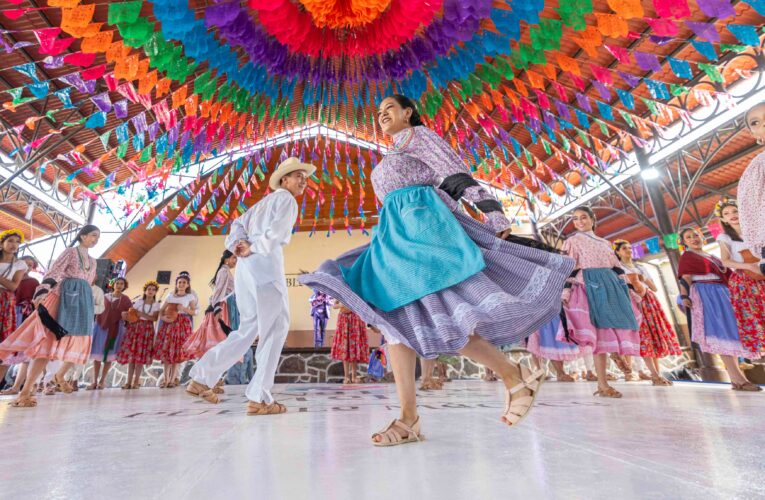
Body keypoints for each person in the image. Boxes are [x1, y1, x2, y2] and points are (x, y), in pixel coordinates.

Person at [299, 95, 574, 446]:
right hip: (395, 238)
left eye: (390, 109)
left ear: (408, 112)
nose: (382, 116)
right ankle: (410, 417)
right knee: (394, 323)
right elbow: (440, 191)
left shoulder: (419, 137)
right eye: (378, 112)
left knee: (435, 315)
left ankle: (512, 374)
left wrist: (492, 211)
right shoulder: (395, 152)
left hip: (423, 236)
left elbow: (454, 174)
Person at [186, 157, 315, 415]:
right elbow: (276, 234)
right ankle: (260, 398)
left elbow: (236, 226)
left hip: (246, 267)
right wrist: (253, 247)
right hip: (265, 267)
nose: (303, 180)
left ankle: (201, 376)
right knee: (276, 328)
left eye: (305, 176)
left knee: (247, 329)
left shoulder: (261, 204)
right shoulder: (286, 200)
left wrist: (239, 246)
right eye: (298, 175)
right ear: (284, 180)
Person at [0, 225, 99, 407]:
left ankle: (38, 385)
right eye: (93, 235)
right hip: (62, 297)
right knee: (47, 340)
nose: (96, 239)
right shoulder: (70, 252)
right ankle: (25, 391)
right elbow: (54, 272)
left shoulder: (93, 261)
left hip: (80, 302)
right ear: (83, 236)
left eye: (98, 236)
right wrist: (41, 292)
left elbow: (88, 282)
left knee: (64, 343)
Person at [560, 207, 641, 399]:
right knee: (599, 333)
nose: (580, 222)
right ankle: (602, 384)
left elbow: (616, 266)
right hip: (589, 285)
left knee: (613, 329)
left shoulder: (606, 243)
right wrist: (566, 289)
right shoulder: (572, 241)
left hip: (611, 285)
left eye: (584, 217)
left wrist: (628, 287)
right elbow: (568, 267)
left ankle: (610, 372)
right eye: (575, 219)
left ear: (592, 219)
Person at [677, 228, 761, 391]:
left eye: (696, 235)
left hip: (723, 293)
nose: (693, 238)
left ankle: (735, 380)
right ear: (684, 242)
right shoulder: (687, 257)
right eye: (688, 237)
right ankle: (740, 379)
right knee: (721, 334)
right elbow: (685, 277)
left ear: (702, 237)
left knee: (730, 335)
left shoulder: (712, 257)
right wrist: (684, 296)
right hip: (706, 295)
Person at [614, 239, 681, 385]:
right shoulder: (618, 268)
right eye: (624, 248)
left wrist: (641, 279)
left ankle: (656, 374)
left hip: (648, 300)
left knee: (651, 335)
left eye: (629, 248)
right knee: (640, 334)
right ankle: (644, 373)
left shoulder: (640, 267)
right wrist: (631, 282)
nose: (628, 250)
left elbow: (654, 287)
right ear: (618, 252)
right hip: (631, 300)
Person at [715, 198, 765, 357]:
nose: (732, 215)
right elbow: (725, 261)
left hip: (763, 274)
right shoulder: (725, 238)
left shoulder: (756, 230)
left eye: (735, 211)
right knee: (755, 318)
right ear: (723, 219)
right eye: (726, 213)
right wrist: (748, 266)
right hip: (745, 281)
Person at [184, 251, 238, 379]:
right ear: (226, 260)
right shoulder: (224, 271)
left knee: (219, 345)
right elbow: (219, 290)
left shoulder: (225, 271)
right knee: (216, 344)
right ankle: (202, 379)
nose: (236, 260)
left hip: (223, 306)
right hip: (220, 308)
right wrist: (217, 308)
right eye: (233, 258)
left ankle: (212, 378)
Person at [1, 256, 40, 395]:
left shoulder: (34, 282)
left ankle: (17, 386)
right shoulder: (8, 277)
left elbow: (37, 301)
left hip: (23, 317)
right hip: (6, 311)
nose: (27, 266)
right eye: (25, 263)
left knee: (22, 353)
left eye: (30, 265)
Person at [88, 277, 132, 390]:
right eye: (117, 283)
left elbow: (130, 316)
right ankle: (94, 381)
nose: (119, 285)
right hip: (101, 328)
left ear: (124, 286)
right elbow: (97, 309)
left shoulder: (126, 300)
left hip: (115, 331)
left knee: (109, 356)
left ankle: (102, 381)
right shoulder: (105, 297)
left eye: (122, 284)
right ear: (113, 284)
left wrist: (126, 315)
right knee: (97, 355)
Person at [154, 273, 197, 388]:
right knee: (167, 352)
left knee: (177, 353)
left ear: (187, 284)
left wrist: (184, 309)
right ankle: (166, 380)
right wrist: (163, 318)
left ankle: (173, 380)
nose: (181, 284)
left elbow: (194, 312)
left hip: (182, 325)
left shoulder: (190, 297)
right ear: (176, 284)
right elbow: (161, 310)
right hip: (169, 325)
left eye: (184, 282)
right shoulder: (170, 296)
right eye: (179, 282)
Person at [116, 281, 161, 389]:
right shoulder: (139, 302)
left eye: (153, 290)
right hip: (135, 328)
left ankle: (136, 382)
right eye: (149, 289)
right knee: (132, 356)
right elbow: (132, 314)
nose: (150, 291)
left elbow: (154, 318)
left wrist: (142, 314)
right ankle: (128, 382)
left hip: (147, 330)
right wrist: (128, 315)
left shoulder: (156, 304)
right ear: (145, 291)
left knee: (140, 357)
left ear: (155, 292)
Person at [738, 102, 765, 275]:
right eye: (755, 122)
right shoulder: (757, 167)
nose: (763, 123)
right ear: (755, 135)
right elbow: (750, 214)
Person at [0, 230, 28, 388]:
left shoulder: (19, 264)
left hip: (5, 302)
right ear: (2, 242)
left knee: (4, 344)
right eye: (10, 241)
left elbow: (13, 285)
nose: (14, 245)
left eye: (17, 242)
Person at [527, 313, 580, 382]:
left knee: (557, 341)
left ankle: (560, 373)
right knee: (550, 341)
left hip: (552, 312)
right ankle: (560, 373)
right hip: (544, 314)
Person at [331, 302, 370, 384]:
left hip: (356, 318)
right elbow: (334, 306)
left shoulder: (356, 291)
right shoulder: (341, 292)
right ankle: (346, 377)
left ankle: (354, 376)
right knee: (345, 346)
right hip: (344, 319)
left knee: (354, 346)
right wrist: (340, 305)